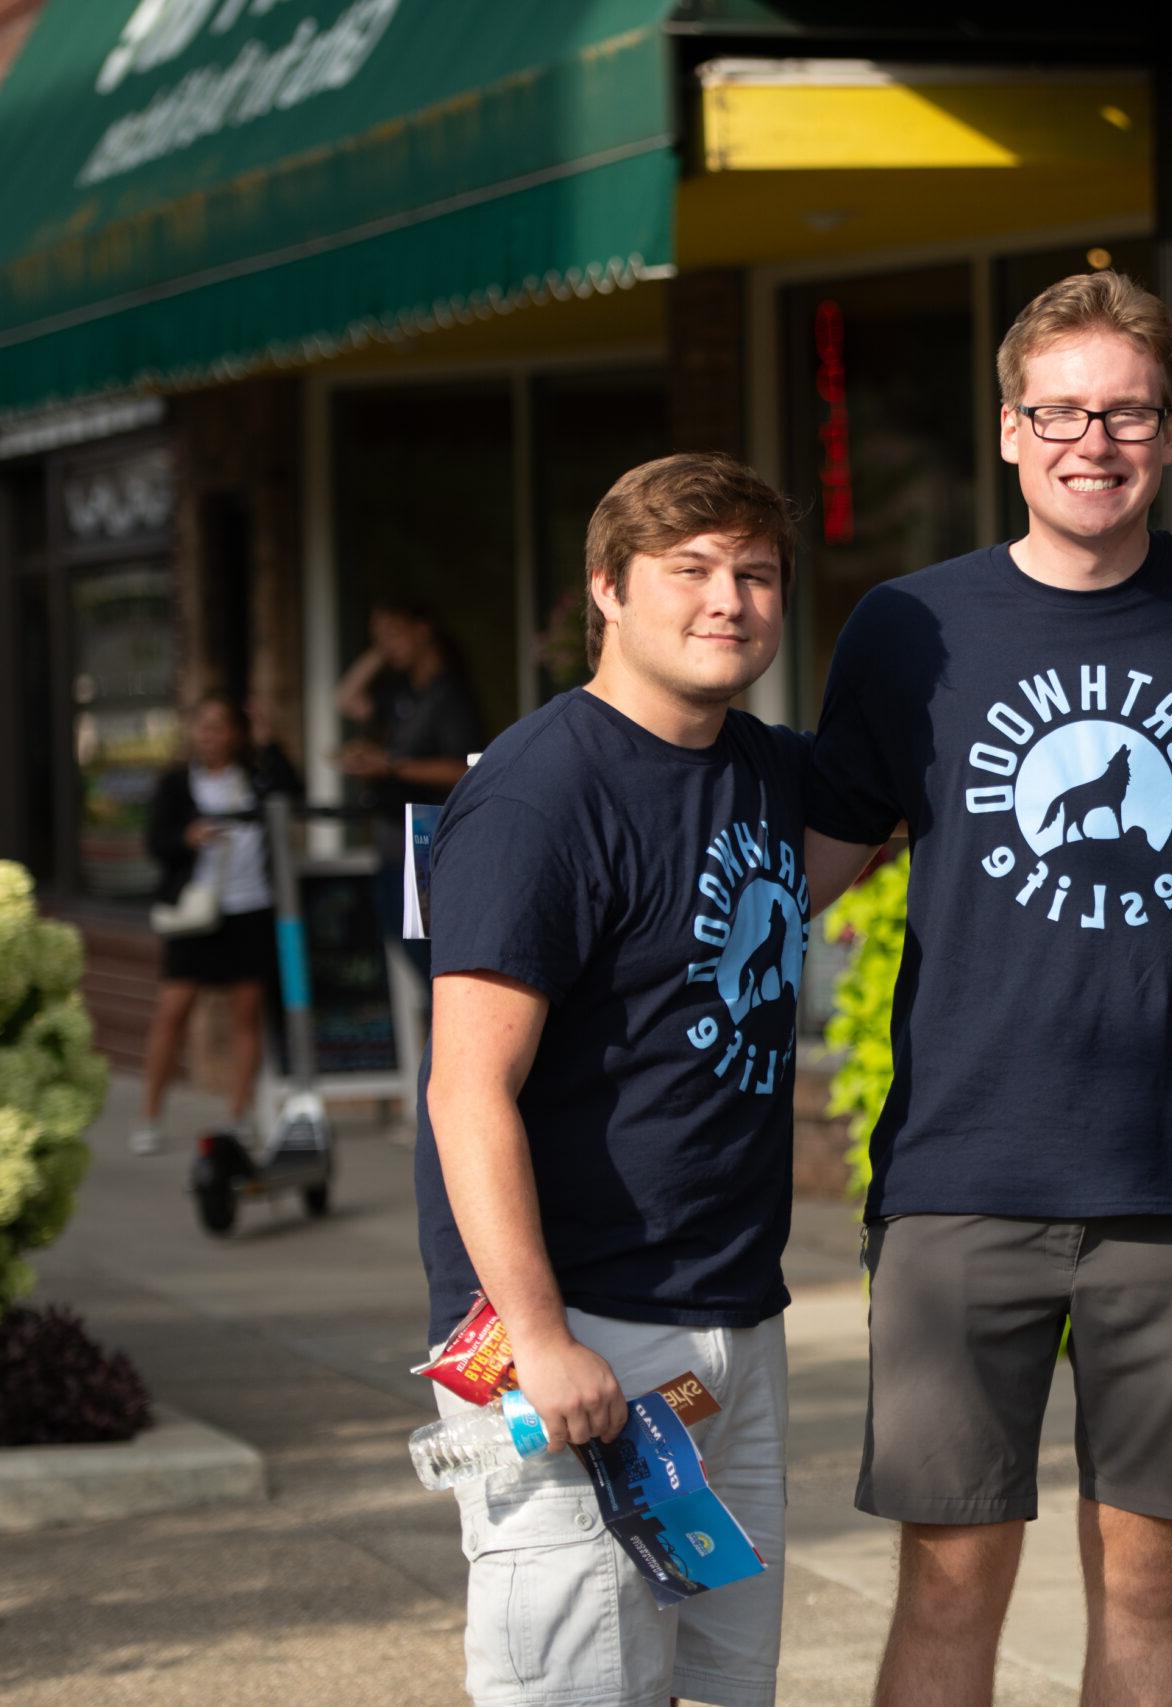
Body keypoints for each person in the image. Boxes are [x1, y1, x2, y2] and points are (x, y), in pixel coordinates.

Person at [802, 271, 1172, 1707]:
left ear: (1169, 430)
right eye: (1063, 410)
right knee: (951, 1579)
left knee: (1148, 1586)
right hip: (968, 1166)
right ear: (1014, 428)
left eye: (1128, 410)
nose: (1095, 439)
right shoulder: (912, 627)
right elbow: (809, 858)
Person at [419, 454, 807, 1707]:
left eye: (753, 573)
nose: (727, 600)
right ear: (607, 589)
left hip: (734, 1321)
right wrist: (538, 1339)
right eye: (689, 571)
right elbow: (464, 1088)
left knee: (730, 1687)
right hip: (582, 1335)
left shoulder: (760, 772)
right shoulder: (539, 794)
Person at [135, 694, 296, 1156]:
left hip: (248, 908)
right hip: (194, 912)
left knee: (247, 1014)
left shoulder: (255, 779)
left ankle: (239, 1114)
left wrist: (271, 743)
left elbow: (291, 792)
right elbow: (155, 842)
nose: (211, 736)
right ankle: (149, 1115)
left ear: (236, 733)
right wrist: (188, 838)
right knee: (172, 1012)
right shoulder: (175, 783)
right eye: (203, 727)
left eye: (220, 726)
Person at [337, 597, 483, 982]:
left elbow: (463, 768)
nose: (388, 646)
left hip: (427, 840)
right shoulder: (401, 692)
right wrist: (379, 652)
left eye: (394, 634)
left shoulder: (448, 695)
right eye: (378, 638)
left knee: (433, 956)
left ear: (423, 630)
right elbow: (346, 699)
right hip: (392, 841)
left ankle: (449, 1037)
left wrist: (389, 766)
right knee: (407, 947)